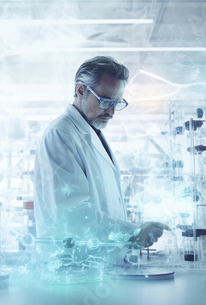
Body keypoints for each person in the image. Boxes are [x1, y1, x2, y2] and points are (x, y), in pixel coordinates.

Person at [33, 56, 168, 259]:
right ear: (81, 91)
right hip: (73, 267)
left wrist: (132, 233)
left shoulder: (92, 133)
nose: (112, 112)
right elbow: (73, 215)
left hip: (100, 265)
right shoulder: (61, 134)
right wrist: (132, 233)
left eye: (117, 103)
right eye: (105, 101)